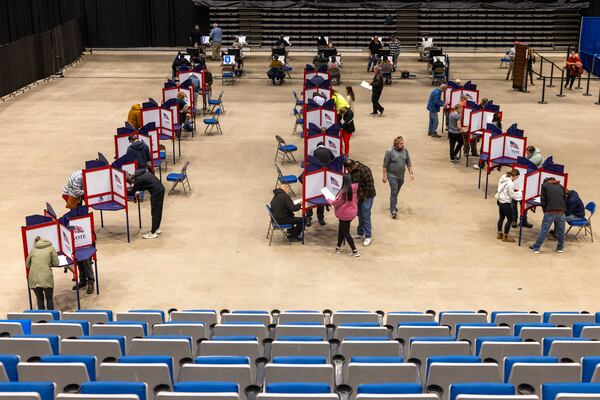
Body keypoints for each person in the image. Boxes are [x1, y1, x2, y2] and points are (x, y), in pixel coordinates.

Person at [530, 177, 567, 254]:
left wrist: (545, 210)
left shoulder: (544, 185)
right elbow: (565, 199)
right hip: (561, 212)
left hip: (550, 211)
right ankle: (560, 248)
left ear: (547, 182)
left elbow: (543, 201)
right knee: (561, 231)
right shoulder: (560, 186)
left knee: (544, 230)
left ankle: (536, 248)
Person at [127, 168, 166, 239]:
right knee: (158, 211)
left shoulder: (138, 179)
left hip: (156, 193)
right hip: (160, 189)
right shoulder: (143, 173)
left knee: (155, 212)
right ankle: (156, 228)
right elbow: (145, 186)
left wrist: (124, 191)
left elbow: (132, 192)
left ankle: (153, 233)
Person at [327, 174, 360, 257]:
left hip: (344, 213)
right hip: (352, 212)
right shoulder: (356, 189)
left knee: (345, 232)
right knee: (342, 229)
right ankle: (338, 247)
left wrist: (328, 199)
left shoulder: (344, 191)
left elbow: (336, 203)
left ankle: (355, 251)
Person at [345, 159, 376, 246]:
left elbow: (370, 185)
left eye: (348, 169)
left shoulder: (364, 170)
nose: (347, 171)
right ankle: (360, 232)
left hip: (367, 195)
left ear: (352, 166)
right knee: (359, 213)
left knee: (365, 214)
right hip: (358, 196)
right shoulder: (351, 171)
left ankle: (368, 236)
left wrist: (364, 197)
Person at [382, 136, 414, 219]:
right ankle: (393, 210)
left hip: (401, 176)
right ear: (396, 144)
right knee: (394, 191)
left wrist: (411, 173)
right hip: (391, 175)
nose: (403, 145)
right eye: (401, 143)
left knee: (396, 192)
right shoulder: (389, 151)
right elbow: (385, 165)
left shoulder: (405, 151)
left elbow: (408, 162)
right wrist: (384, 176)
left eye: (403, 143)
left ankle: (393, 205)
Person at [305, 142, 335, 227]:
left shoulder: (315, 151)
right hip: (325, 178)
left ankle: (308, 218)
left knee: (310, 197)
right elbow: (333, 160)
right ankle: (320, 218)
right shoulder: (329, 150)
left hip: (314, 178)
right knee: (322, 197)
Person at [26, 236, 59, 310]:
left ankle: (42, 319)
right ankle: (52, 319)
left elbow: (27, 265)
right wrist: (48, 263)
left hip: (34, 278)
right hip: (46, 278)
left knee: (40, 299)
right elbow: (56, 263)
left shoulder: (33, 249)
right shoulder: (51, 248)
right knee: (49, 299)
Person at [495, 169, 522, 242]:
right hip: (505, 202)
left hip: (499, 200)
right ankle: (506, 236)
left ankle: (499, 233)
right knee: (510, 219)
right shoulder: (510, 183)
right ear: (515, 176)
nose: (517, 179)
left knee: (501, 217)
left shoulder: (504, 176)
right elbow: (511, 195)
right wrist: (519, 195)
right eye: (517, 177)